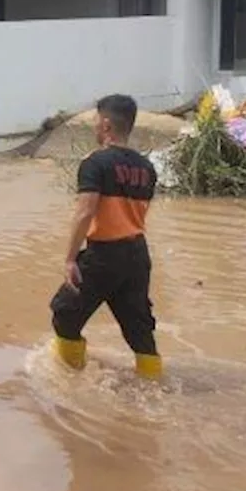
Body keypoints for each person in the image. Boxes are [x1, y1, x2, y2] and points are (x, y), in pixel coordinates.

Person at [50, 94, 162, 380]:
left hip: (104, 255)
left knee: (65, 313)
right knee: (139, 330)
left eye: (96, 122)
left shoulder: (95, 163)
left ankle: (70, 379)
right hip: (138, 255)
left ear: (106, 124)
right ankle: (153, 384)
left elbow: (85, 212)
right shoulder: (146, 169)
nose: (94, 128)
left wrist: (70, 259)